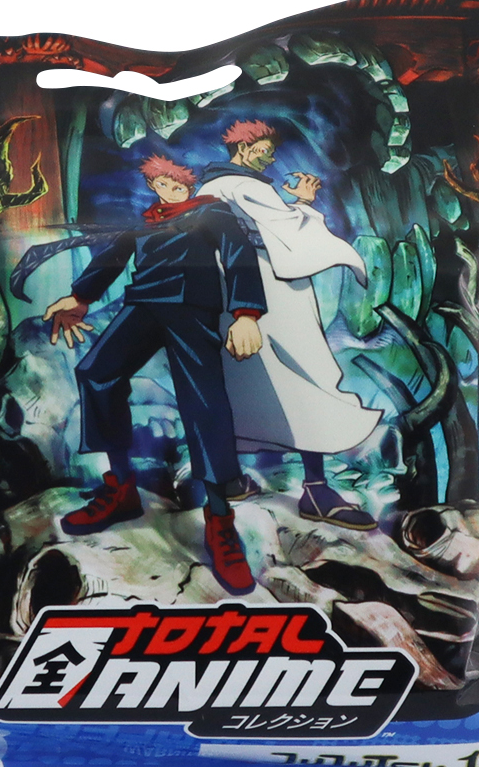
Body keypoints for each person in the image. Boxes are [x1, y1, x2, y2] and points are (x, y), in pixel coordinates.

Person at [43, 155, 266, 594]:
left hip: (190, 306)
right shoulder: (145, 221)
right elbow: (112, 257)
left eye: (177, 182)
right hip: (143, 303)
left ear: (189, 183)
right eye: (162, 183)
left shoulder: (212, 212)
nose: (171, 189)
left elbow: (239, 255)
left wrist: (246, 313)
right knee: (96, 372)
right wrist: (80, 297)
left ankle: (220, 519)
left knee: (203, 402)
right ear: (153, 186)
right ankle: (121, 488)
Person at [197, 119, 382, 530]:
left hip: (232, 293)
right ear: (243, 149)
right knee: (305, 374)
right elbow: (291, 234)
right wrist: (305, 205)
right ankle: (315, 488)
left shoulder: (210, 187)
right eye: (264, 151)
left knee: (243, 382)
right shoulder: (244, 186)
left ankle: (229, 477)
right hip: (271, 291)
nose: (270, 159)